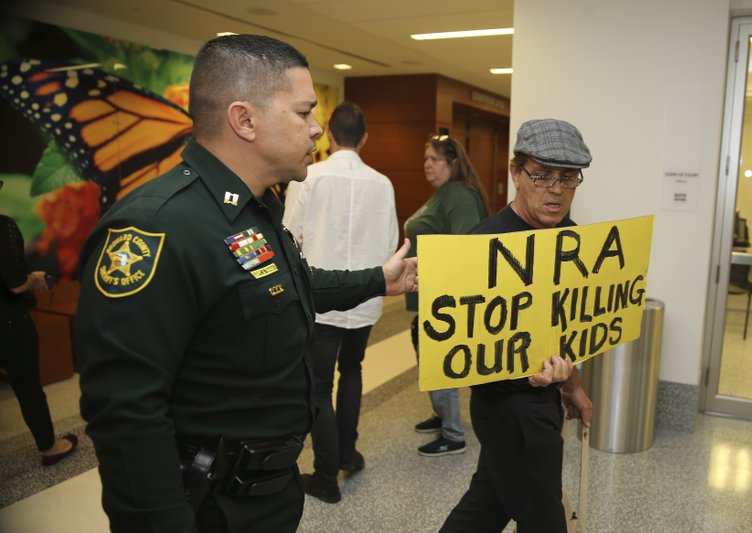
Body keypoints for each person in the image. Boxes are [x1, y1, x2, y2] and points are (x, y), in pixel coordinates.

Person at [73, 35, 417, 533]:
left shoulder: (252, 212)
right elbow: (126, 415)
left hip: (269, 493)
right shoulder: (159, 229)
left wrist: (377, 280)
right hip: (210, 506)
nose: (318, 129)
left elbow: (286, 288)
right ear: (245, 120)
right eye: (303, 114)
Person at [439, 119, 594, 533]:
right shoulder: (482, 245)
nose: (556, 189)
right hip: (506, 406)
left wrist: (571, 384)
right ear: (515, 172)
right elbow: (457, 346)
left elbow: (565, 326)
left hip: (544, 403)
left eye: (568, 177)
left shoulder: (573, 241)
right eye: (541, 175)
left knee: (488, 501)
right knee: (544, 518)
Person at [282, 101, 398, 503]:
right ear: (364, 138)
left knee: (317, 386)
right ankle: (348, 452)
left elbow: (287, 235)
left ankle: (326, 476)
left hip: (321, 297)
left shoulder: (309, 176)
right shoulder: (382, 183)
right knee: (353, 369)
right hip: (365, 296)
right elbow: (389, 244)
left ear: (328, 135)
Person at [405, 134, 489, 457]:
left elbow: (465, 248)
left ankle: (453, 435)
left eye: (434, 159)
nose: (427, 164)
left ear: (452, 164)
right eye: (425, 158)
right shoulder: (444, 194)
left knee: (441, 361)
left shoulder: (458, 195)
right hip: (429, 293)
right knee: (428, 355)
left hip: (445, 296)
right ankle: (442, 417)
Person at [0, 180, 78, 467]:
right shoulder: (3, 226)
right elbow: (16, 284)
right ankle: (50, 447)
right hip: (8, 322)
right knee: (27, 385)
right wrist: (34, 278)